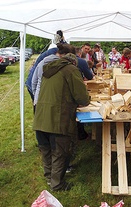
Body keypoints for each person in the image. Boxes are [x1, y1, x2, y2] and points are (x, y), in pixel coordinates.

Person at [33, 44, 90, 191]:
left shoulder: (48, 69)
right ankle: (57, 184)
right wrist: (86, 98)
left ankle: (49, 178)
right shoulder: (71, 70)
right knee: (60, 151)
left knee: (46, 149)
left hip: (40, 116)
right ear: (74, 62)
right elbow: (82, 98)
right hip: (58, 117)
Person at [25, 30, 66, 102]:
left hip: (34, 81)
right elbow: (38, 80)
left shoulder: (54, 51)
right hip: (33, 82)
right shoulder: (52, 56)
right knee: (38, 106)